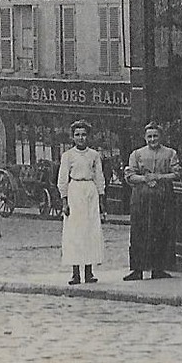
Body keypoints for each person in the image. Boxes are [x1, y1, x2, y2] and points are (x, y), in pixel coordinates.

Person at [123, 122, 179, 280]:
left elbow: (177, 173)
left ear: (160, 137)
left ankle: (158, 268)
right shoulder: (136, 154)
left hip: (162, 196)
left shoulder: (170, 153)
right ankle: (137, 269)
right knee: (139, 231)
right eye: (149, 136)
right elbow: (129, 175)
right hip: (141, 197)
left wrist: (159, 177)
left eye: (155, 136)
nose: (152, 139)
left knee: (161, 230)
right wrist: (144, 179)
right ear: (144, 137)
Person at [56, 120, 105, 285]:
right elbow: (62, 180)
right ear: (73, 137)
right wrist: (64, 202)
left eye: (84, 134)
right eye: (77, 135)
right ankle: (75, 273)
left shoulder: (94, 155)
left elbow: (99, 177)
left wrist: (101, 198)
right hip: (75, 191)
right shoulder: (68, 156)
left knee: (90, 231)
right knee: (75, 233)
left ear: (88, 136)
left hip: (90, 192)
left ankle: (89, 272)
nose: (81, 138)